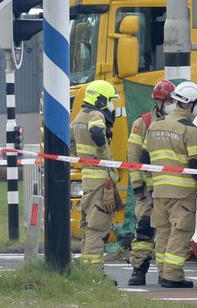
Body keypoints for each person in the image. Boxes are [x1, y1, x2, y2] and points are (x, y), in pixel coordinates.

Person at [147, 81, 197, 288]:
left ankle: (163, 273)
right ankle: (172, 276)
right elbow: (194, 163)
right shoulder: (189, 130)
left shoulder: (155, 125)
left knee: (163, 233)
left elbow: (148, 156)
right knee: (180, 232)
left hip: (159, 190)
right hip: (181, 192)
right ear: (189, 104)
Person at [125, 79, 176, 287]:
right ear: (159, 102)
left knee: (169, 230)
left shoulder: (177, 123)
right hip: (147, 189)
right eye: (170, 100)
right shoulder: (143, 123)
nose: (173, 104)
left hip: (168, 187)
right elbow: (133, 157)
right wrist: (138, 187)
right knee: (144, 229)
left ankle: (167, 273)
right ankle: (139, 269)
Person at [72, 79, 120, 280]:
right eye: (110, 101)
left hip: (88, 179)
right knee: (97, 228)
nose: (112, 106)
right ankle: (94, 275)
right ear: (101, 100)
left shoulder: (78, 117)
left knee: (87, 227)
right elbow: (97, 131)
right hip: (101, 179)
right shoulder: (95, 114)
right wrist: (104, 155)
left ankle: (86, 272)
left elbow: (70, 142)